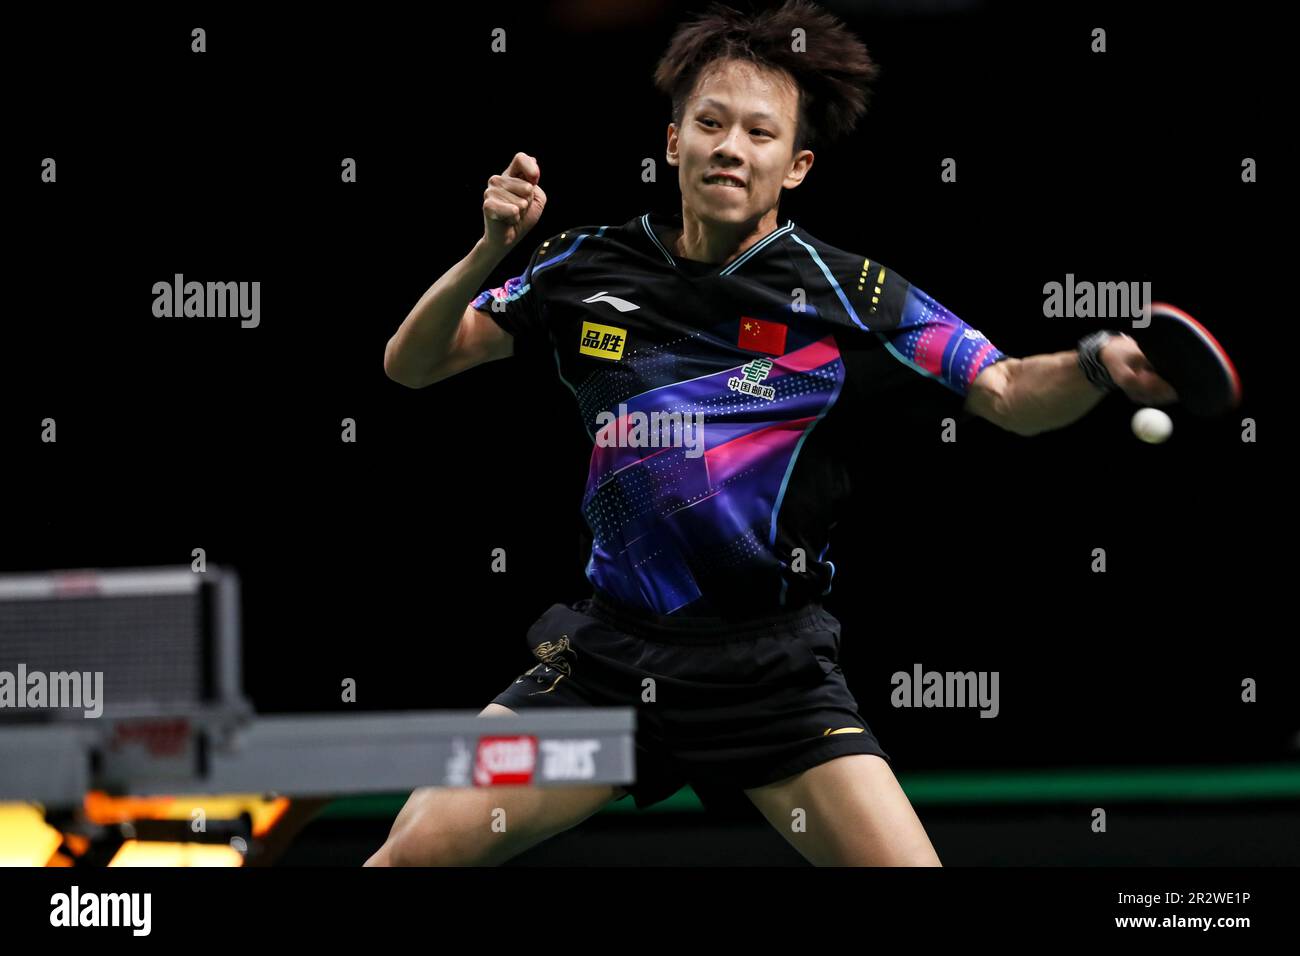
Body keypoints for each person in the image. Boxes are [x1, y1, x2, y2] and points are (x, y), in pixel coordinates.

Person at [372, 0, 1176, 867]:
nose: (729, 147)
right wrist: (489, 249)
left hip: (771, 673)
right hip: (609, 662)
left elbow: (1009, 391)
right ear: (673, 139)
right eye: (710, 124)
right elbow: (412, 365)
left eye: (759, 134)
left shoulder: (851, 293)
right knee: (410, 856)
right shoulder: (583, 263)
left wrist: (1096, 362)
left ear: (794, 166)